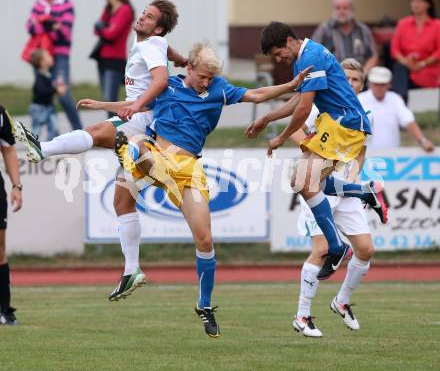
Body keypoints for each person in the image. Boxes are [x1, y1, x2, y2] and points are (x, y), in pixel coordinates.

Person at [89, 42, 312, 338]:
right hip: (156, 151)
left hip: (188, 170)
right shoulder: (166, 85)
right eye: (202, 76)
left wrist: (294, 83)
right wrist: (102, 106)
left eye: (210, 78)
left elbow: (257, 94)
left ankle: (204, 305)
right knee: (140, 146)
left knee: (205, 240)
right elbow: (136, 105)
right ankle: (129, 157)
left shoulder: (219, 89)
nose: (206, 82)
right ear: (190, 67)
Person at [15, 0, 187, 301]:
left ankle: (42, 148)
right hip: (144, 118)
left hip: (143, 121)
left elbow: (160, 79)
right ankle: (132, 270)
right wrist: (184, 61)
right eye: (143, 13)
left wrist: (133, 105)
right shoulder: (153, 41)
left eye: (149, 18)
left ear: (158, 27)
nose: (142, 18)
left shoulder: (150, 46)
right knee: (122, 201)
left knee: (96, 133)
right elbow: (167, 51)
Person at [246, 22, 387, 280]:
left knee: (303, 180)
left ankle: (336, 246)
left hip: (344, 123)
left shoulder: (310, 56)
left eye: (279, 53)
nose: (280, 59)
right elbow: (298, 100)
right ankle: (364, 193)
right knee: (303, 181)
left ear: (289, 40)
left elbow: (303, 109)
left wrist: (281, 137)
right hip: (334, 123)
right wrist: (267, 119)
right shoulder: (304, 58)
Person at [289, 59, 374, 337]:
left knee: (365, 249)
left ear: (362, 85)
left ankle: (341, 301)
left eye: (356, 80)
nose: (350, 84)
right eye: (346, 78)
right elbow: (296, 129)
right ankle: (302, 316)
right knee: (322, 247)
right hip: (317, 182)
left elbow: (360, 149)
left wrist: (353, 179)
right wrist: (313, 152)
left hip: (345, 188)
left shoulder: (364, 113)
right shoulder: (320, 104)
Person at [26, 0, 82, 130]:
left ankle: (80, 131)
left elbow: (65, 32)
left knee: (63, 94)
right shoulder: (39, 4)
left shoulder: (66, 4)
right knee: (43, 95)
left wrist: (43, 24)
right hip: (41, 56)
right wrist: (52, 25)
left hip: (59, 56)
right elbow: (30, 27)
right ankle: (46, 134)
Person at [358, 66, 435, 151]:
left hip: (392, 156)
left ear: (389, 85)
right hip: (365, 155)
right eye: (376, 84)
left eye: (382, 84)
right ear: (370, 84)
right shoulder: (360, 100)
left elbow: (409, 121)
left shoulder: (395, 99)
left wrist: (423, 141)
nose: (379, 87)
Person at [93, 0, 134, 118]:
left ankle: (113, 131)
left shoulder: (125, 10)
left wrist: (102, 28)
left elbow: (112, 34)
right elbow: (96, 29)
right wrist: (104, 28)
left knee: (110, 99)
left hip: (115, 59)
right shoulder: (109, 9)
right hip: (103, 58)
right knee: (106, 97)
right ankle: (111, 130)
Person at [391, 0, 440, 102]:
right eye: (412, 1)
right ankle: (400, 101)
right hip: (406, 67)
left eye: (419, 1)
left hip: (429, 67)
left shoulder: (437, 25)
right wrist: (406, 62)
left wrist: (422, 64)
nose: (415, 4)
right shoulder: (403, 24)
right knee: (400, 68)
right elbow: (395, 50)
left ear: (428, 4)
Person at [312, 0, 378, 72]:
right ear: (333, 10)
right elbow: (313, 54)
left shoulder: (362, 29)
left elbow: (373, 56)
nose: (341, 11)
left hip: (359, 78)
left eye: (345, 8)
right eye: (338, 8)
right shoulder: (324, 29)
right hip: (333, 78)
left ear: (352, 9)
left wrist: (363, 74)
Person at [0, 105, 23, 325]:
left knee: (0, 248)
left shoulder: (1, 112)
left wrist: (17, 186)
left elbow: (8, 148)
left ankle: (4, 309)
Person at [29, 49, 66, 140]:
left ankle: (49, 146)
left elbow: (48, 90)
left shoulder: (47, 74)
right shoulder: (40, 77)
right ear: (42, 62)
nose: (51, 57)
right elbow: (42, 91)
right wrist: (56, 89)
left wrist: (57, 89)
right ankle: (33, 146)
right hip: (38, 108)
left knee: (54, 127)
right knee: (36, 129)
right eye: (48, 56)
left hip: (49, 107)